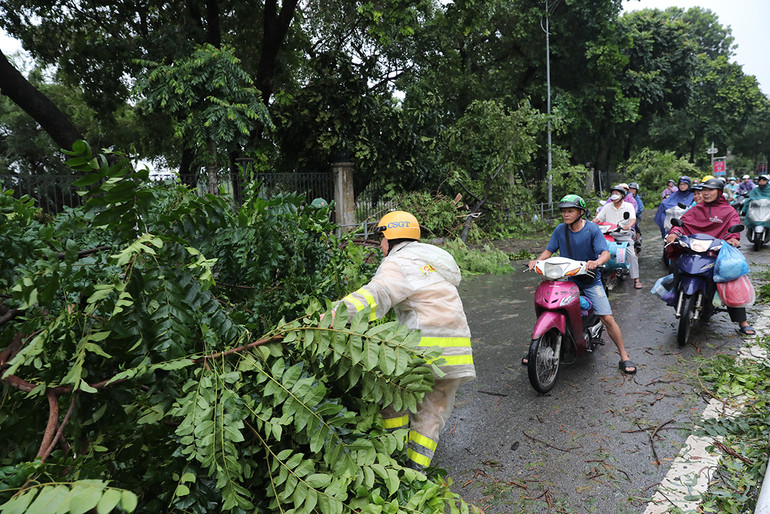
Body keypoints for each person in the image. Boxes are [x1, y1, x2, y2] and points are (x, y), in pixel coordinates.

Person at [333, 210, 475, 471]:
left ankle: (393, 459)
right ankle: (415, 474)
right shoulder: (432, 261)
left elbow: (375, 295)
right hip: (457, 352)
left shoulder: (398, 262)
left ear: (389, 238)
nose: (380, 246)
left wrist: (333, 315)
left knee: (392, 395)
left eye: (381, 239)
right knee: (431, 413)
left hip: (424, 349)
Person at [527, 194, 637, 374]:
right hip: (567, 280)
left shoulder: (592, 229)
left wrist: (596, 262)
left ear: (581, 212)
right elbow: (548, 251)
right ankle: (538, 347)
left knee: (607, 318)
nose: (565, 214)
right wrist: (536, 261)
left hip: (590, 280)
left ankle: (624, 356)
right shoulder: (560, 230)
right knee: (549, 307)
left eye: (570, 211)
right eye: (563, 211)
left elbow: (605, 253)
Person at [665, 178, 755, 335]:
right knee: (675, 266)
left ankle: (743, 321)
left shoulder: (729, 211)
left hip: (716, 253)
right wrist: (674, 233)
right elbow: (682, 224)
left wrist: (733, 238)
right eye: (704, 190)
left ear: (719, 192)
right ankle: (675, 296)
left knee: (732, 278)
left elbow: (733, 228)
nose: (706, 193)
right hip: (693, 251)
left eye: (710, 190)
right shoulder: (695, 209)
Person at [593, 184, 643, 289]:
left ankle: (636, 279)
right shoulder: (607, 206)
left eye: (617, 193)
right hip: (608, 234)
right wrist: (590, 223)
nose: (614, 195)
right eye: (613, 193)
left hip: (624, 234)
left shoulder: (628, 206)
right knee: (596, 250)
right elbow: (598, 218)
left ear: (622, 195)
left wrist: (628, 226)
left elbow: (633, 219)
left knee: (631, 254)